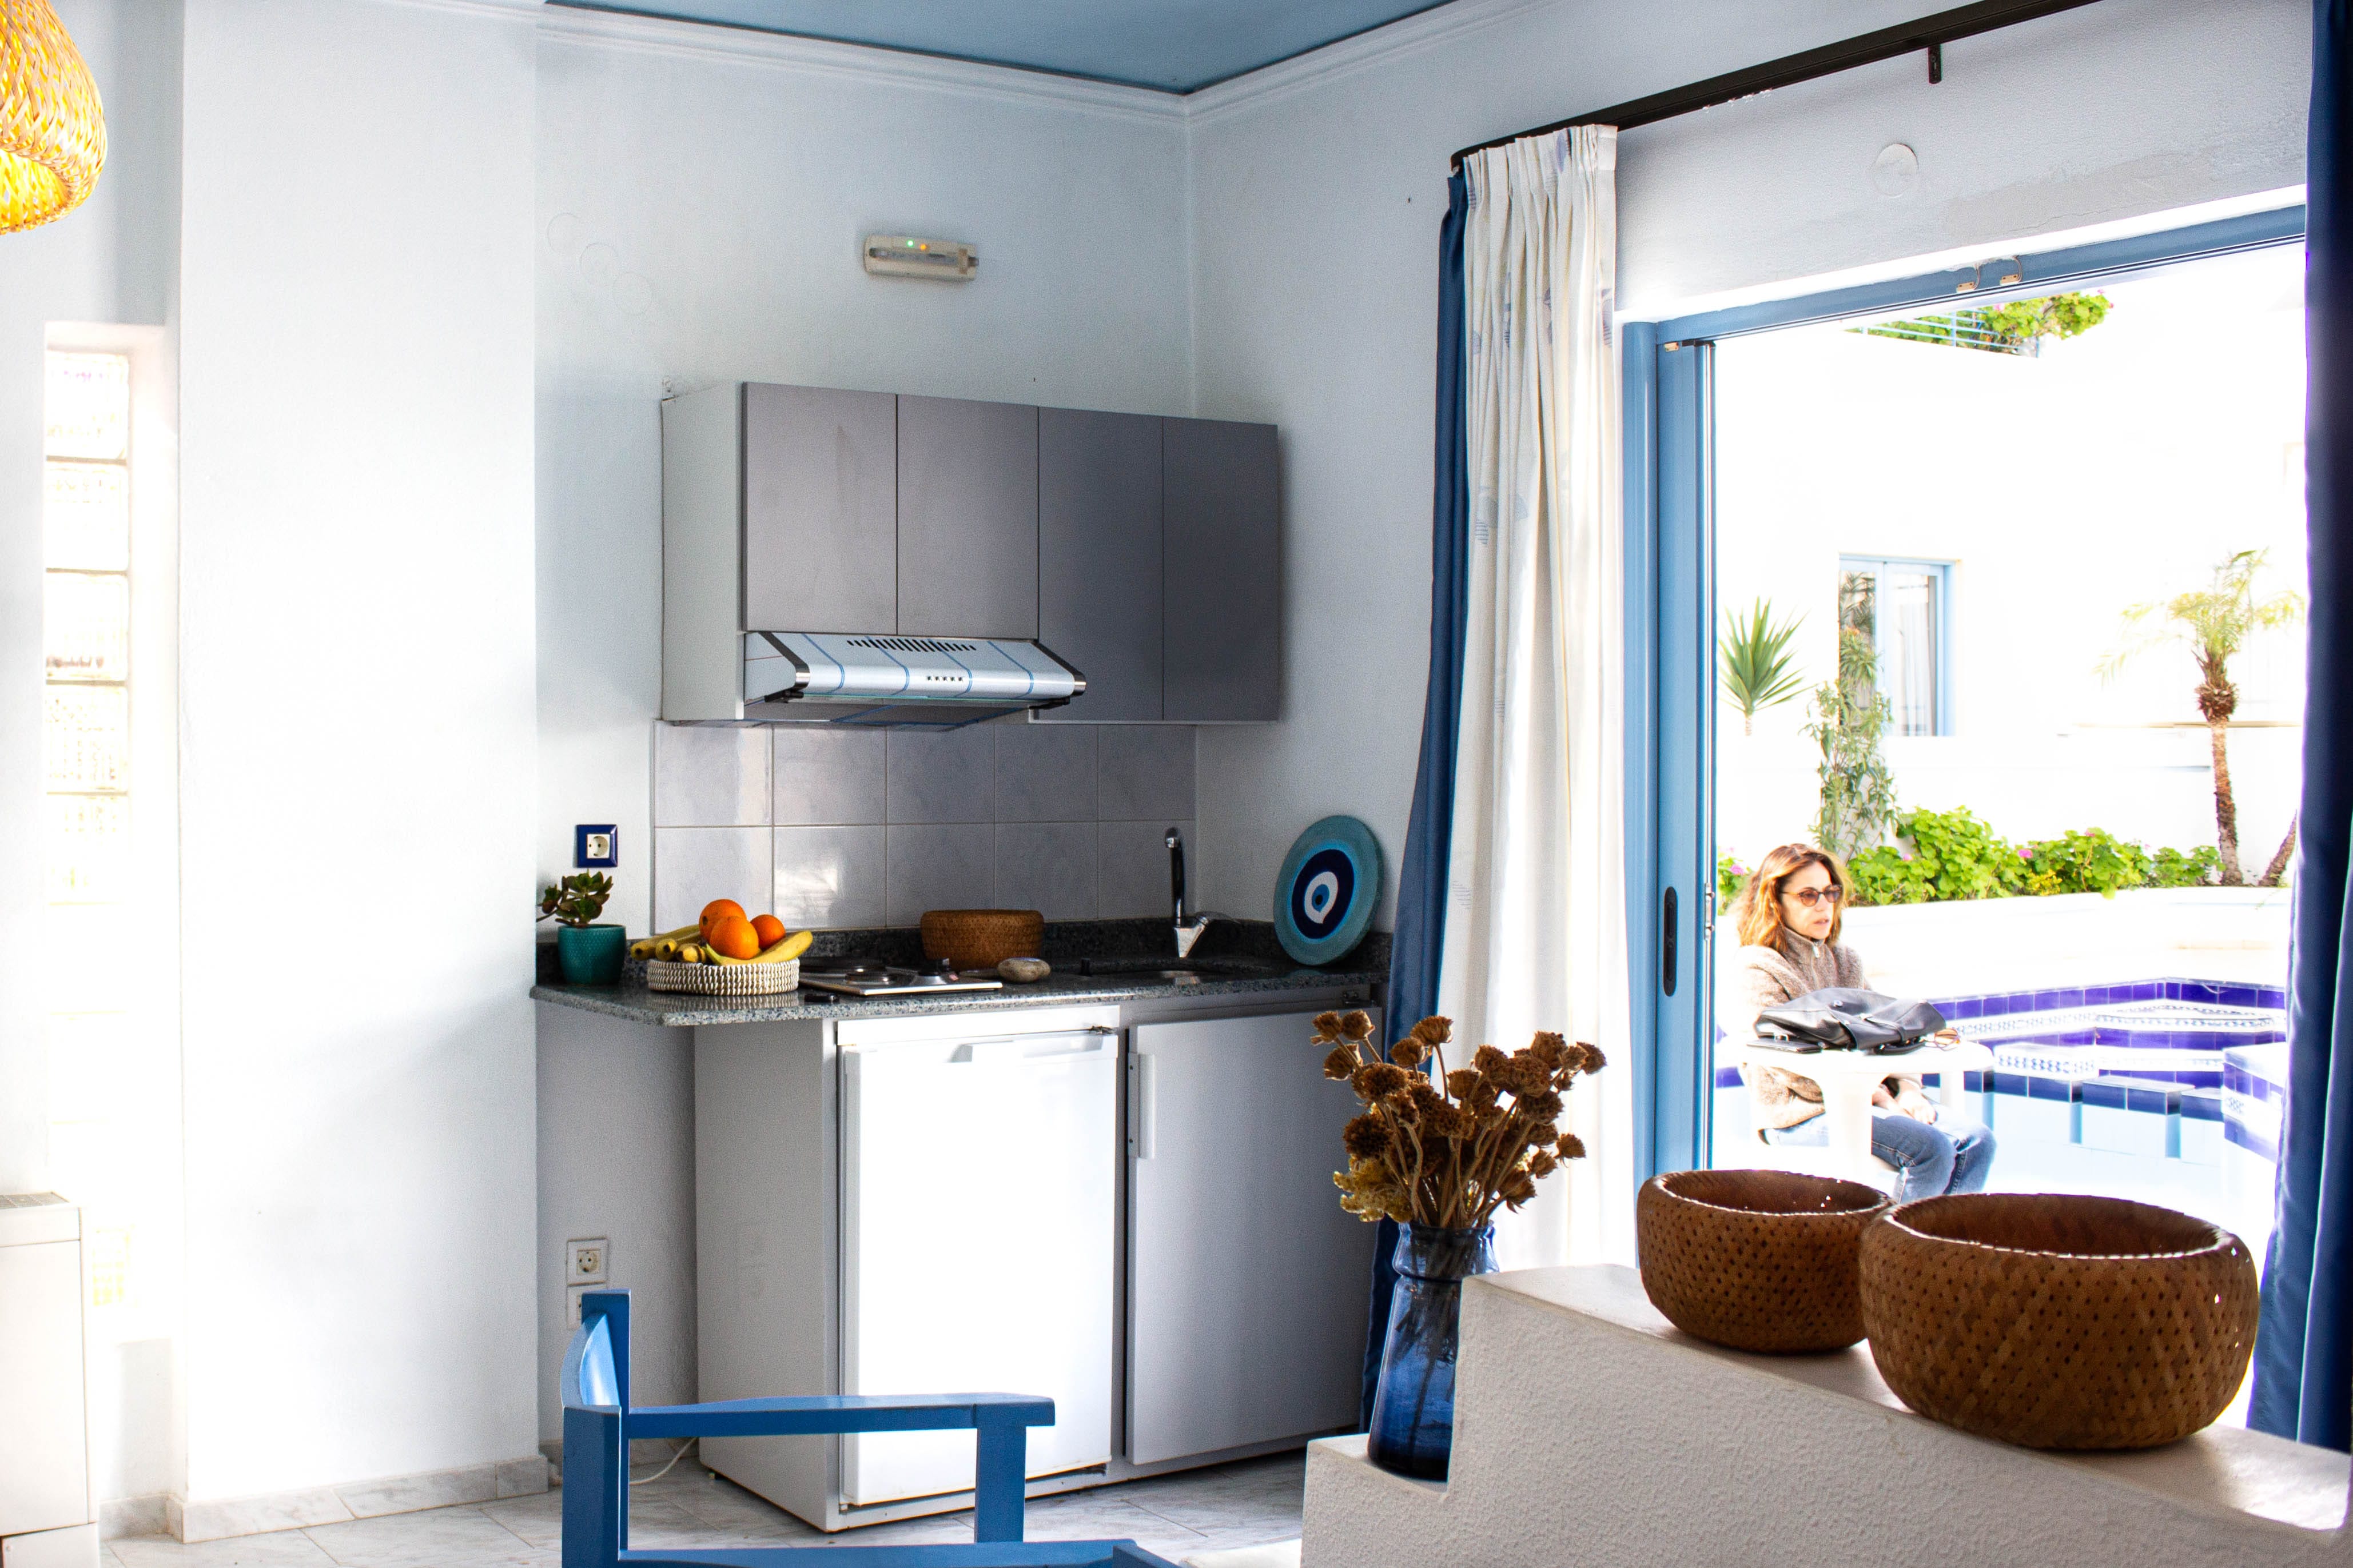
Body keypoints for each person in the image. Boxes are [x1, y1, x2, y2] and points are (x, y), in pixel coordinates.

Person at [1727, 842, 1994, 1200]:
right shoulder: (1758, 967)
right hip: (1801, 1116)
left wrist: (1910, 1090)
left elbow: (1891, 1031)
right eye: (1808, 896)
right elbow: (1788, 1069)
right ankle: (1889, 1252)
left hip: (1871, 1101)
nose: (1824, 905)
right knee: (1930, 1149)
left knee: (1977, 1141)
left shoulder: (1845, 960)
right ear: (1776, 901)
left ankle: (1936, 1247)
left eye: (1830, 893)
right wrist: (1882, 1100)